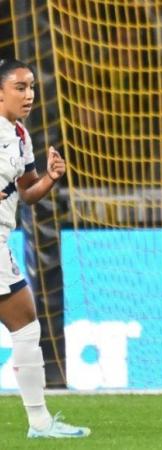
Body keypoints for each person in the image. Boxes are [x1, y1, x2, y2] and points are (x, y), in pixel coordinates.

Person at [0, 58, 90, 438]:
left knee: (25, 322)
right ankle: (38, 422)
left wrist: (51, 179)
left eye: (32, 86)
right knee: (24, 322)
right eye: (20, 87)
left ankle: (39, 422)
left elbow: (27, 192)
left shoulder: (20, 135)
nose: (29, 94)